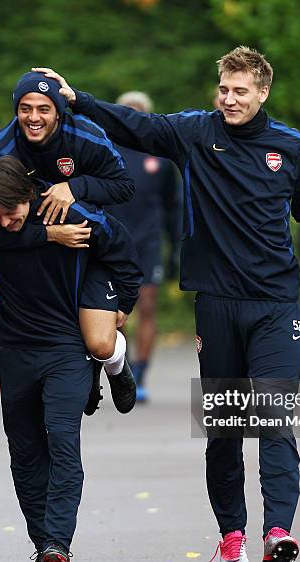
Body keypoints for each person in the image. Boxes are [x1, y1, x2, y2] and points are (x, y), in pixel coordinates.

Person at [33, 45, 300, 562]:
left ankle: (277, 531)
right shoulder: (197, 132)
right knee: (225, 426)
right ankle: (231, 535)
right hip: (217, 303)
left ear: (262, 92)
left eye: (240, 91)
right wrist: (78, 101)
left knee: (274, 417)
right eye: (223, 89)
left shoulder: (288, 145)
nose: (228, 99)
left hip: (275, 303)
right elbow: (137, 126)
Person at [0, 156, 142, 562]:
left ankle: (59, 543)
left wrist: (121, 308)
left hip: (65, 346)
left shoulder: (70, 213)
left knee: (60, 439)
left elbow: (127, 255)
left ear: (30, 197)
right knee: (24, 451)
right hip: (15, 346)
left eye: (12, 213)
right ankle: (44, 549)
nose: (3, 223)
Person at [0, 71, 137, 414]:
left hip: (87, 244)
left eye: (43, 109)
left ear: (58, 112)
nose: (34, 117)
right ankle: (74, 380)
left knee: (99, 342)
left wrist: (76, 187)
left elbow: (124, 186)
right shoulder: (1, 151)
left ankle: (114, 363)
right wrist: (47, 233)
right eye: (25, 108)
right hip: (32, 252)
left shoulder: (85, 136)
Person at [110, 90, 182, 402]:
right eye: (126, 111)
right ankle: (122, 366)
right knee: (114, 312)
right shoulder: (105, 152)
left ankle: (141, 372)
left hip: (149, 243)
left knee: (148, 306)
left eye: (138, 112)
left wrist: (178, 247)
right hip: (113, 245)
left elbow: (173, 206)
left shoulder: (161, 158)